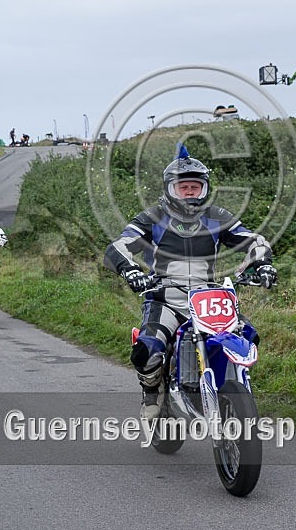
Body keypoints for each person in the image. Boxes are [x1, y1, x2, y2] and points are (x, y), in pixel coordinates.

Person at [103, 145, 277, 420]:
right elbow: (119, 246)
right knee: (149, 349)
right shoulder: (152, 218)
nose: (190, 192)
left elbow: (253, 240)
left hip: (209, 296)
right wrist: (130, 270)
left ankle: (229, 385)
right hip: (164, 296)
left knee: (247, 335)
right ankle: (152, 392)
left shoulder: (217, 217)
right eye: (183, 186)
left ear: (205, 188)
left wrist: (263, 263)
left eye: (195, 186)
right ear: (170, 188)